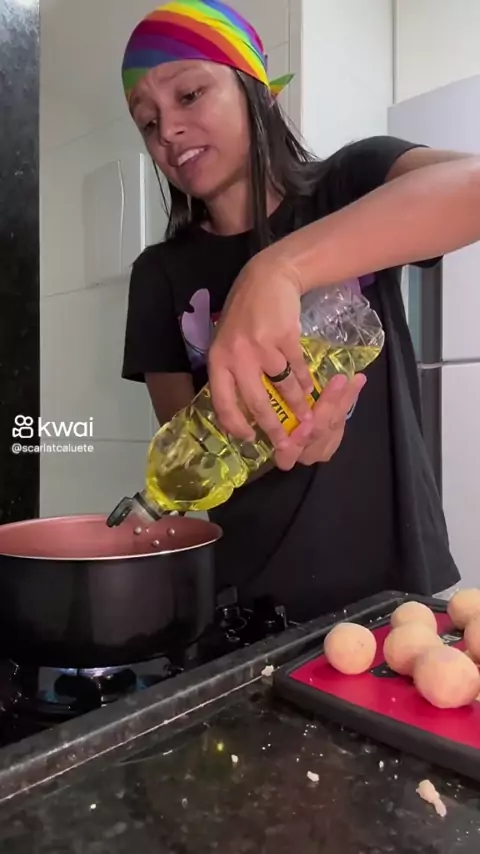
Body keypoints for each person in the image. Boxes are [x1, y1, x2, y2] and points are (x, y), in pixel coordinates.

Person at [120, 0, 478, 621]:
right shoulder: (158, 276)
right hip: (246, 604)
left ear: (257, 91)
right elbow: (195, 451)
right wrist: (278, 436)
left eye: (190, 94)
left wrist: (278, 269)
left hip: (389, 583)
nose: (168, 131)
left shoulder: (351, 184)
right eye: (148, 121)